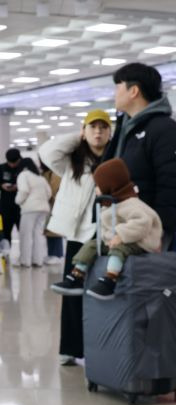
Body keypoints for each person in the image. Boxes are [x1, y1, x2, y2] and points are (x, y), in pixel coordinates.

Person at [39, 109, 111, 365]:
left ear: (110, 131)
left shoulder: (116, 157)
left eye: (103, 127)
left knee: (103, 289)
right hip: (79, 233)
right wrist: (77, 136)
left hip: (107, 233)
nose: (98, 132)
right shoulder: (73, 162)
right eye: (93, 127)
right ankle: (70, 347)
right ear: (84, 131)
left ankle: (101, 347)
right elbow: (47, 152)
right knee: (73, 291)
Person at [51, 159, 162, 300]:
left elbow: (143, 223)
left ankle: (110, 281)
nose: (95, 189)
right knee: (91, 245)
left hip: (140, 242)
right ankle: (77, 276)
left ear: (111, 185)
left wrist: (121, 235)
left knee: (119, 249)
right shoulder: (110, 204)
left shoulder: (131, 204)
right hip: (115, 240)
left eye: (98, 185)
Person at [103, 62, 176, 249]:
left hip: (150, 230)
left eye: (118, 86)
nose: (115, 93)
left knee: (149, 277)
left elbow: (170, 182)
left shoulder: (163, 129)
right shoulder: (125, 128)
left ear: (133, 91)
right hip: (124, 223)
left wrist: (161, 231)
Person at [15, 158, 51, 267]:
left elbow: (24, 190)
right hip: (43, 208)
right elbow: (49, 193)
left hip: (30, 209)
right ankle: (38, 260)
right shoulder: (40, 178)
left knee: (25, 235)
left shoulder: (23, 175)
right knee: (38, 235)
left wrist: (17, 201)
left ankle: (25, 261)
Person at [0, 148, 24, 243]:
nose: (12, 165)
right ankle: (6, 253)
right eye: (10, 163)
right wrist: (2, 186)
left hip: (21, 207)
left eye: (15, 162)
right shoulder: (1, 168)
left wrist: (18, 187)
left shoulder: (24, 168)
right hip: (6, 206)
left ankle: (25, 255)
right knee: (5, 233)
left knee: (23, 233)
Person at [40, 160, 64, 263]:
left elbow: (53, 189)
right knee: (49, 230)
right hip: (49, 205)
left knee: (54, 231)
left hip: (55, 204)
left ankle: (57, 254)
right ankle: (51, 253)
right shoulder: (46, 173)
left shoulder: (56, 173)